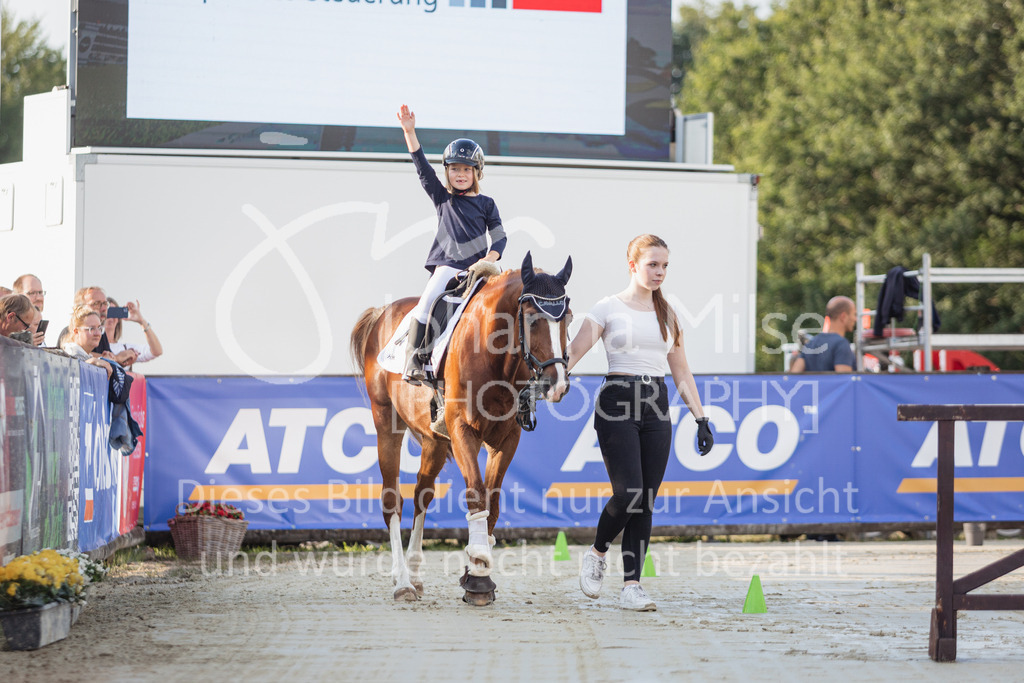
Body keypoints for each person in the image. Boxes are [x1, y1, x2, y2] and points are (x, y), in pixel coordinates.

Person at [565, 234, 714, 611]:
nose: (659, 271)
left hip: (656, 405)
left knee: (646, 500)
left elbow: (681, 370)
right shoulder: (607, 308)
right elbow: (573, 353)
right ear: (633, 265)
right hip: (617, 400)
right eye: (652, 264)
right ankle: (597, 553)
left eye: (664, 265)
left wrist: (701, 417)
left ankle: (632, 585)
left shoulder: (668, 314)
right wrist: (549, 383)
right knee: (628, 492)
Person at [396, 104, 507, 384]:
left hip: (477, 270)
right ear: (447, 173)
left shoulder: (486, 203)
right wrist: (410, 132)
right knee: (425, 305)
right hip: (447, 268)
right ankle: (415, 360)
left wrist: (488, 260)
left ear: (476, 173)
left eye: (466, 170)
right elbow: (422, 167)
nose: (460, 174)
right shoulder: (443, 198)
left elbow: (500, 237)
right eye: (454, 169)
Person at [789, 296, 856, 373]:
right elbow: (844, 381)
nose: (855, 319)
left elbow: (794, 374)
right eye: (854, 314)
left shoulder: (811, 343)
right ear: (843, 316)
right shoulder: (841, 344)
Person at [104, 297, 163, 368]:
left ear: (119, 318)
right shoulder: (92, 347)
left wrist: (141, 321)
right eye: (107, 312)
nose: (111, 317)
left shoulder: (127, 349)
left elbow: (157, 351)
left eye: (115, 312)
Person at [61, 305, 113, 379]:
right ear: (76, 332)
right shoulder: (69, 354)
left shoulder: (85, 356)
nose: (97, 333)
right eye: (91, 329)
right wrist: (90, 363)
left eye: (99, 328)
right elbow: (70, 373)